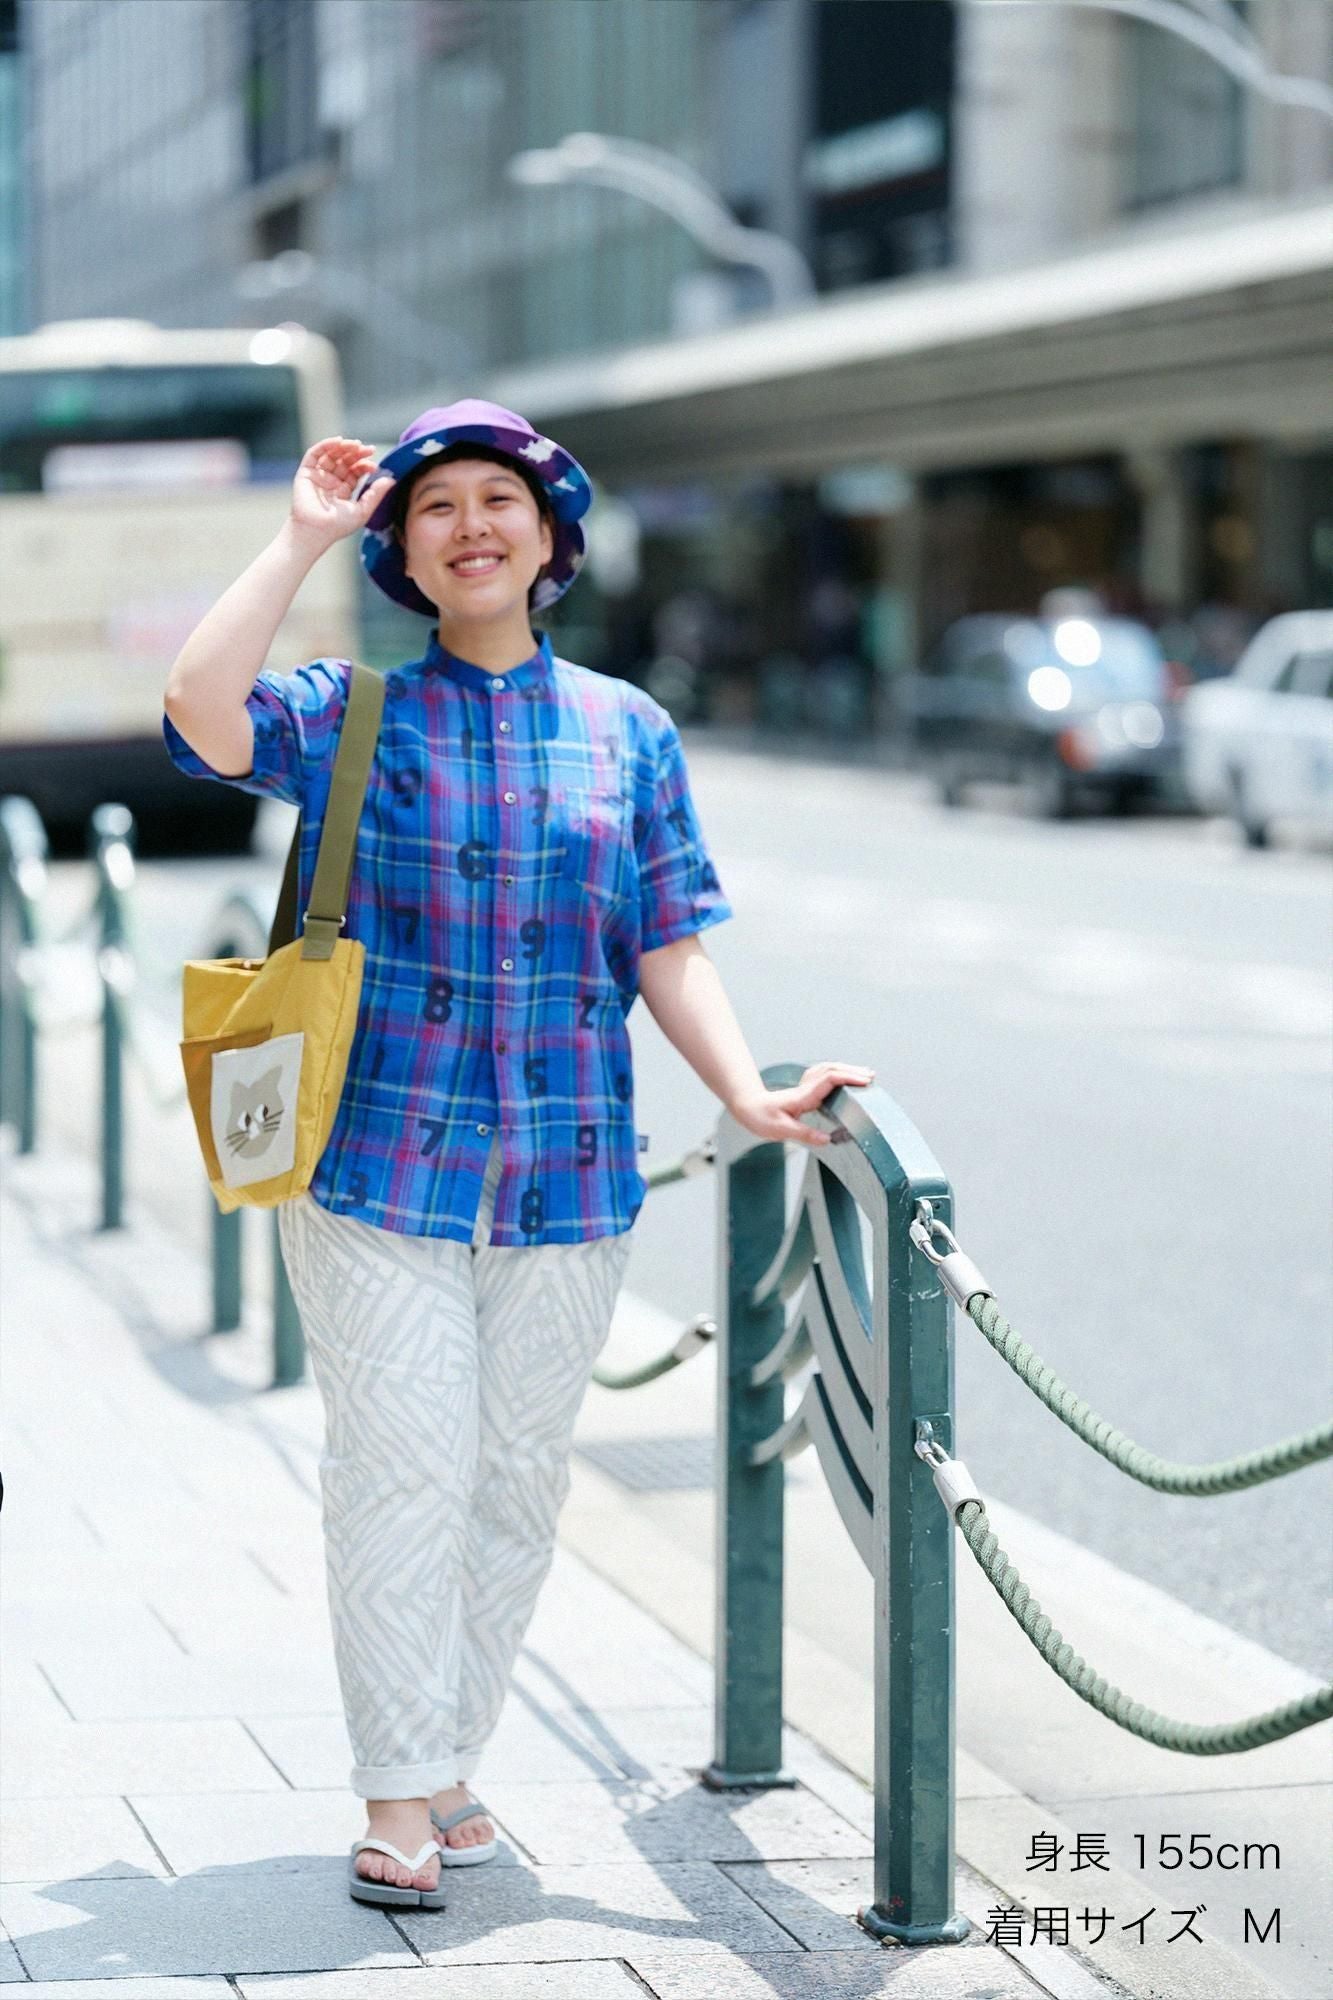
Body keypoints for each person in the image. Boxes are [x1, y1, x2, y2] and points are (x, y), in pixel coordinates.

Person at [161, 399, 875, 1910]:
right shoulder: (359, 713)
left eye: (502, 500)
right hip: (375, 1168)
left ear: (551, 539)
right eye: (436, 508)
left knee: (514, 1486)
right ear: (404, 552)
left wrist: (744, 1094)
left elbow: (665, 939)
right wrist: (299, 536)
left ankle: (445, 1762)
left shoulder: (629, 729)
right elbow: (202, 713)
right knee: (402, 1473)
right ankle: (399, 1800)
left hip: (568, 1174)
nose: (471, 524)